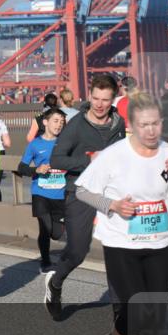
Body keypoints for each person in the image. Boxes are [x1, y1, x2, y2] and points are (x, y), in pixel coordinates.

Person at [77, 92, 168, 335]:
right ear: (132, 125)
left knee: (155, 313)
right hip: (121, 244)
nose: (152, 130)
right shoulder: (114, 155)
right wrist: (112, 204)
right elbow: (83, 192)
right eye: (144, 125)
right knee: (136, 311)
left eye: (156, 123)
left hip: (159, 244)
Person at [44, 74, 126, 320]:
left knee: (117, 250)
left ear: (112, 100)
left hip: (111, 194)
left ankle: (119, 309)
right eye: (95, 98)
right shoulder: (76, 125)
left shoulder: (119, 123)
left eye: (105, 100)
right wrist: (88, 159)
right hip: (81, 192)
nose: (99, 104)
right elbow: (56, 160)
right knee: (78, 251)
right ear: (89, 96)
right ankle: (55, 283)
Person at [17, 108, 67, 272]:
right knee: (45, 228)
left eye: (61, 121)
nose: (59, 125)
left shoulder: (66, 143)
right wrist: (36, 171)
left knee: (57, 234)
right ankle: (45, 262)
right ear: (45, 122)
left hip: (60, 194)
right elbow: (22, 167)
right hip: (40, 193)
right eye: (55, 121)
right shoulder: (35, 144)